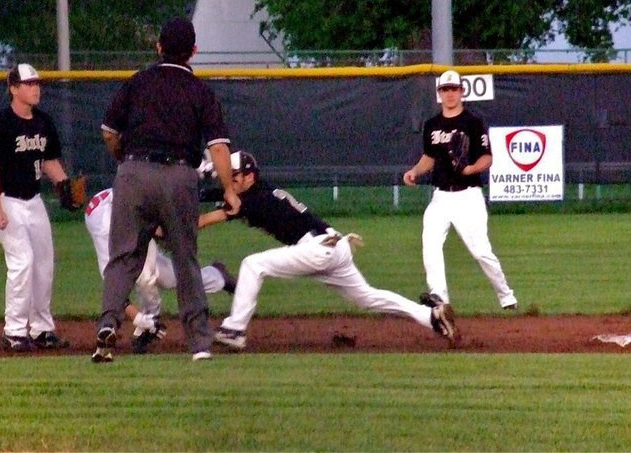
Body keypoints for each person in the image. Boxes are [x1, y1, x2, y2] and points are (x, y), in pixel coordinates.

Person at [200, 151, 458, 350]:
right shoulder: (259, 189)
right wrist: (207, 174)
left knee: (252, 265)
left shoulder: (252, 200)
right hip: (336, 244)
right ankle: (431, 317)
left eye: (234, 178)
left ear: (249, 177)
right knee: (367, 298)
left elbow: (204, 220)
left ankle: (234, 330)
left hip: (317, 249)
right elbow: (219, 191)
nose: (229, 183)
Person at [93, 17, 240, 363]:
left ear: (158, 47)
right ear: (194, 51)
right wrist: (230, 190)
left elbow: (109, 132)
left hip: (133, 172)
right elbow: (218, 147)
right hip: (178, 176)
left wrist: (124, 162)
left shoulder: (138, 82)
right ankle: (200, 344)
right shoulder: (200, 90)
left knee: (123, 259)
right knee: (185, 260)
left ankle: (108, 326)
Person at [403, 69, 518, 310]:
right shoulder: (432, 125)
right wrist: (414, 171)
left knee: (481, 252)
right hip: (441, 196)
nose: (450, 94)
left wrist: (470, 169)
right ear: (439, 93)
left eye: (454, 89)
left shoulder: (473, 122)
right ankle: (440, 298)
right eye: (445, 89)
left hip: (468, 196)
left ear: (462, 91)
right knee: (430, 242)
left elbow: (487, 158)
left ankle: (506, 295)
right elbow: (429, 158)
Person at [0, 63, 73, 352]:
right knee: (22, 262)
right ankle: (14, 331)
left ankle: (42, 329)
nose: (36, 88)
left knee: (44, 263)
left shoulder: (43, 122)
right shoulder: (0, 125)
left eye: (37, 83)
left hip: (33, 201)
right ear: (13, 88)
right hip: (6, 199)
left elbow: (48, 162)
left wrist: (64, 185)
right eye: (29, 84)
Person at [84, 186, 236, 354]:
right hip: (123, 218)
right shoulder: (107, 234)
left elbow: (162, 221)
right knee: (166, 278)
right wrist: (139, 319)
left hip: (133, 209)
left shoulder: (139, 208)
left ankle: (151, 319)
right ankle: (217, 277)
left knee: (147, 275)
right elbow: (113, 289)